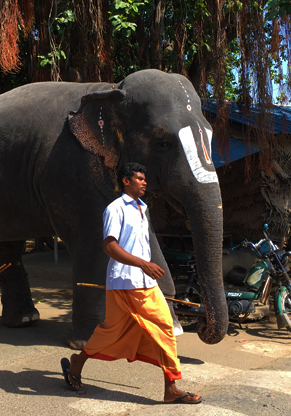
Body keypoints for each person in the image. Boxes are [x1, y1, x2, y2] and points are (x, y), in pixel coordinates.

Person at [60, 162, 202, 404]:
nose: (144, 182)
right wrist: (143, 264)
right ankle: (171, 387)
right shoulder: (115, 208)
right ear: (126, 181)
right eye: (139, 178)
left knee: (111, 331)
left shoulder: (141, 208)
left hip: (138, 281)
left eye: (145, 178)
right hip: (128, 280)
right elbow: (109, 246)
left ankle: (77, 362)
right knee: (165, 327)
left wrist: (145, 266)